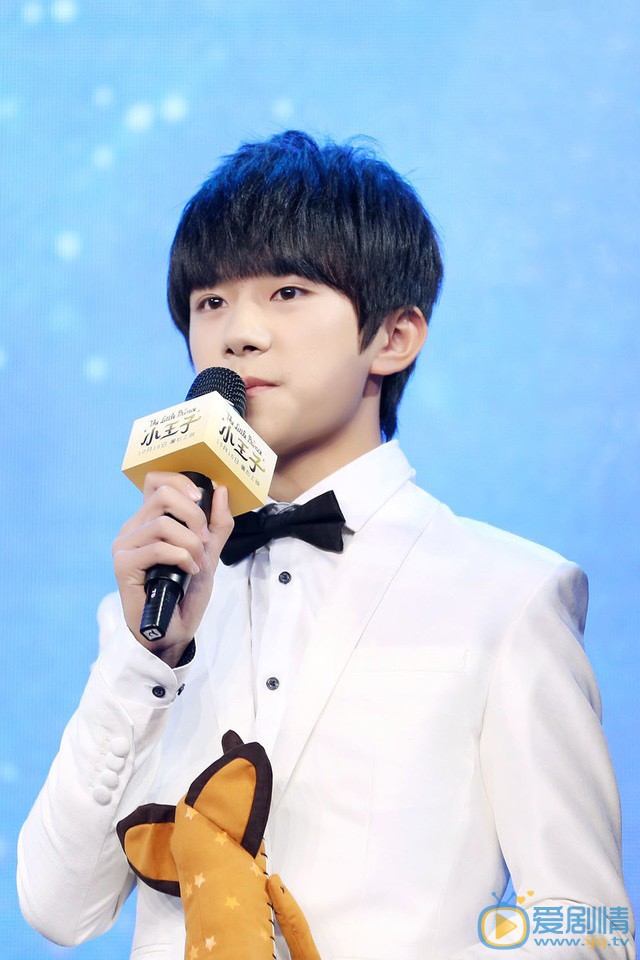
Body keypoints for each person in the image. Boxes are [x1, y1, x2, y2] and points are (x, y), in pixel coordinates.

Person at [18, 131, 635, 959]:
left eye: (287, 292)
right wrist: (145, 658)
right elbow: (59, 909)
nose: (239, 333)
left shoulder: (508, 594)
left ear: (395, 336)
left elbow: (588, 925)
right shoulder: (155, 607)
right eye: (210, 302)